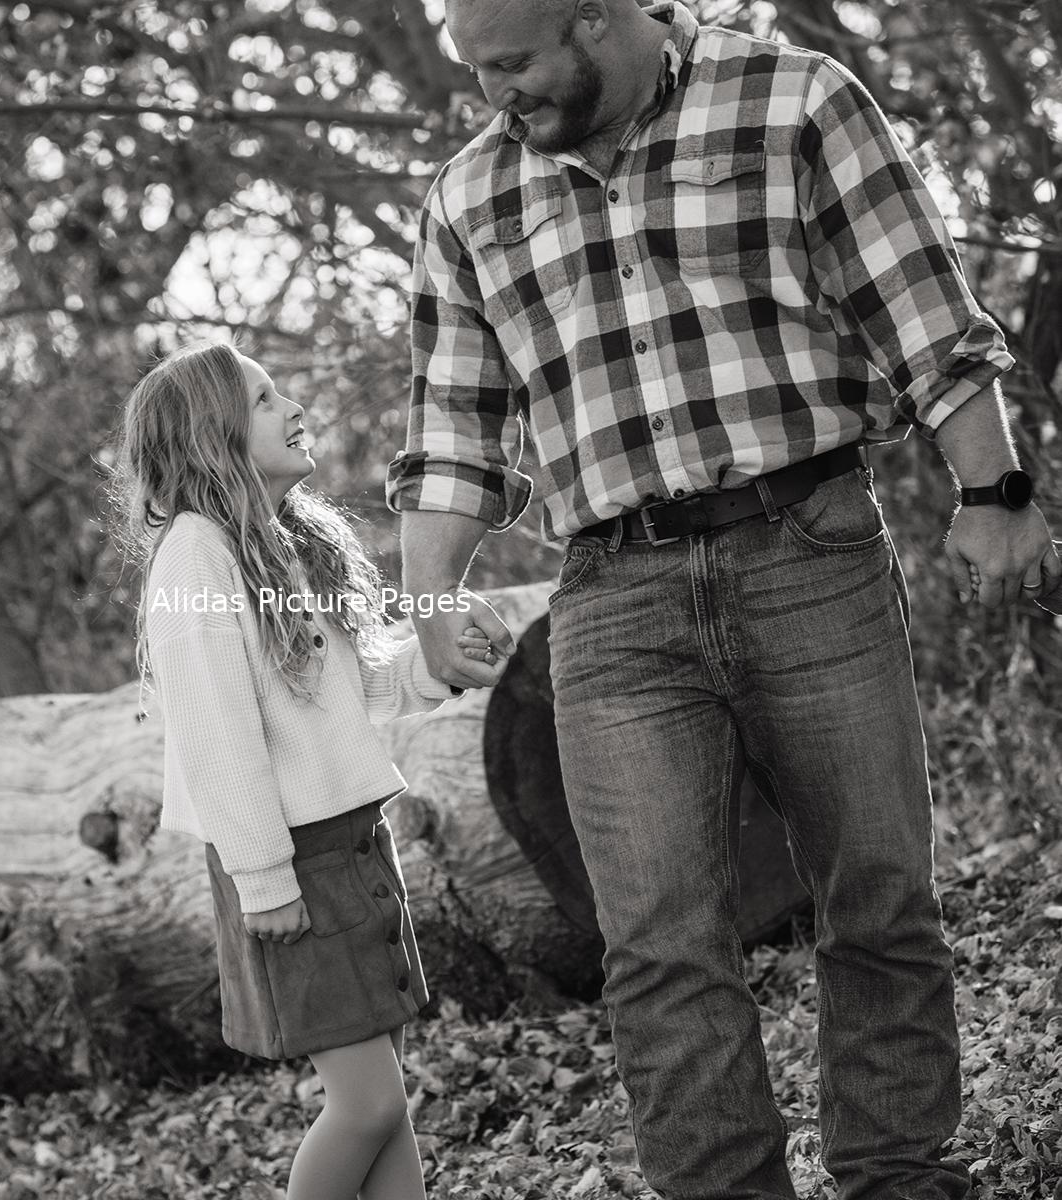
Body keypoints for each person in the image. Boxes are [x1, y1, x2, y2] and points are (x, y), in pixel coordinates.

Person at [386, 1, 1061, 1198]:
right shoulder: (469, 196)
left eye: (513, 65)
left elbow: (927, 320)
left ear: (593, 18)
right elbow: (453, 423)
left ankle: (899, 1176)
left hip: (810, 547)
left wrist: (995, 490)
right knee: (658, 945)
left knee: (877, 894)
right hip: (611, 595)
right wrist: (428, 597)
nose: (496, 96)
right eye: (477, 72)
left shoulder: (795, 99)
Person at [112, 341, 505, 1200]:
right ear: (211, 434)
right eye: (263, 399)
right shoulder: (195, 554)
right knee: (367, 1106)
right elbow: (216, 735)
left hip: (354, 841)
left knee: (386, 1101)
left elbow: (345, 691)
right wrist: (263, 879)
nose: (293, 408)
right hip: (290, 860)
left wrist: (439, 661)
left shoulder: (277, 543)